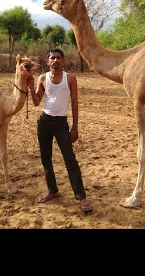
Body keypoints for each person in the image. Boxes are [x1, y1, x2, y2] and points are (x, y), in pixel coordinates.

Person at [26, 48, 92, 214]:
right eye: (52, 58)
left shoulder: (70, 78)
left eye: (58, 58)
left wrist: (75, 127)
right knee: (46, 159)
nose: (55, 61)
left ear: (63, 61)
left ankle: (81, 196)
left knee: (70, 160)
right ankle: (52, 191)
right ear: (48, 62)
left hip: (62, 124)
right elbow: (36, 102)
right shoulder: (43, 78)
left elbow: (75, 103)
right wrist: (31, 88)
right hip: (44, 122)